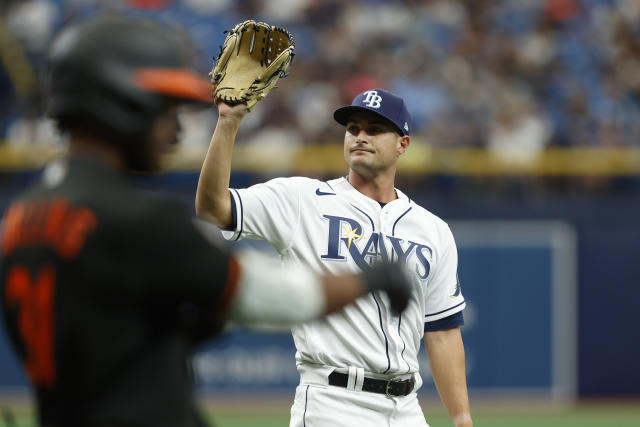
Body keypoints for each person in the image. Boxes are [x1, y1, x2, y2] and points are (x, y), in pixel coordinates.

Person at [0, 17, 413, 427]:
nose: (175, 129)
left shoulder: (22, 217)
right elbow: (270, 295)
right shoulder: (137, 220)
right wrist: (370, 281)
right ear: (121, 102)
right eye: (165, 108)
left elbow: (109, 328)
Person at [196, 88, 473, 426]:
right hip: (332, 402)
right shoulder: (301, 200)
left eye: (374, 129)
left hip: (407, 409)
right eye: (353, 128)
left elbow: (442, 332)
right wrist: (227, 123)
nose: (360, 137)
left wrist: (461, 418)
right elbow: (213, 208)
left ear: (403, 143)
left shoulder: (433, 230)